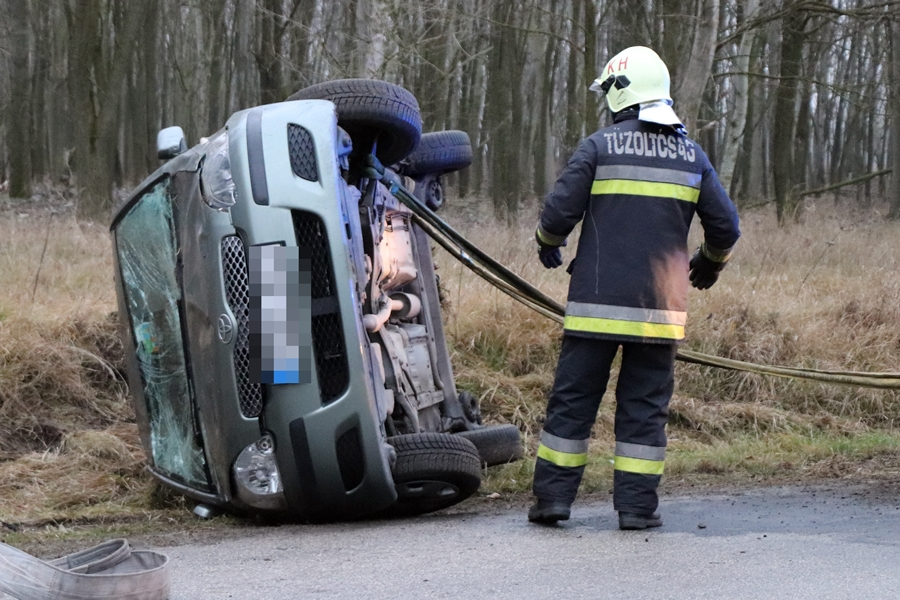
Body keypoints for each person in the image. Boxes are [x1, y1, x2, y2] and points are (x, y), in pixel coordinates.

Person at [529, 46, 741, 530]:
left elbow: (557, 213)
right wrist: (708, 264)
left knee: (573, 403)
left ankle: (553, 502)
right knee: (645, 409)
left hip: (593, 309)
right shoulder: (692, 155)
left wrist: (548, 243)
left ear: (621, 92)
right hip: (660, 313)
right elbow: (726, 228)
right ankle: (637, 508)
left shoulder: (599, 146)